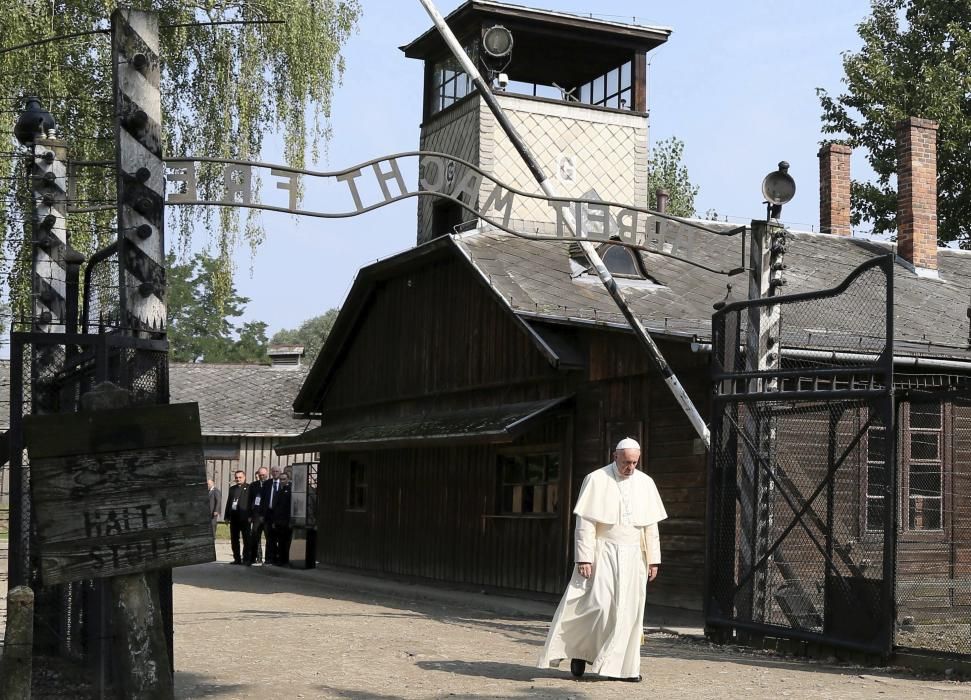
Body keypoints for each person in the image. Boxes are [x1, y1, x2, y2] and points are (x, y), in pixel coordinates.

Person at [538, 437, 666, 682]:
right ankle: (579, 652)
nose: (631, 467)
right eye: (627, 462)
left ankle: (622, 669)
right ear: (614, 456)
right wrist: (584, 558)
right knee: (598, 606)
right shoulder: (596, 479)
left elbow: (651, 526)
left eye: (635, 462)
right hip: (602, 552)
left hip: (634, 555)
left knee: (629, 611)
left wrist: (653, 560)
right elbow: (585, 523)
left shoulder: (646, 483)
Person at [224, 470, 252, 565]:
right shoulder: (232, 489)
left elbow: (252, 503)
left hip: (245, 518)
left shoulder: (249, 488)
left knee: (246, 539)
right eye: (236, 477)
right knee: (234, 539)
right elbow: (229, 503)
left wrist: (251, 516)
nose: (238, 479)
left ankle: (246, 558)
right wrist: (226, 516)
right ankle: (237, 558)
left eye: (240, 477)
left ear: (244, 477)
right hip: (234, 518)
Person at [248, 467, 273, 565]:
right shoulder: (253, 485)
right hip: (256, 515)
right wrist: (250, 515)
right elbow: (250, 501)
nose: (262, 477)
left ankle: (268, 559)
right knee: (255, 537)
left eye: (264, 475)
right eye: (260, 475)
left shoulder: (270, 484)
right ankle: (256, 557)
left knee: (269, 538)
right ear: (257, 475)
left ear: (267, 474)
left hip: (267, 516)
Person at [268, 472, 293, 566]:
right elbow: (275, 507)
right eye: (281, 479)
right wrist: (274, 521)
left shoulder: (290, 491)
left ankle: (286, 560)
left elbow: (289, 508)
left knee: (286, 541)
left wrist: (290, 521)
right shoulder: (278, 491)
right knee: (280, 541)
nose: (282, 481)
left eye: (284, 479)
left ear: (288, 479)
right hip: (278, 520)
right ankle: (280, 559)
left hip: (286, 521)